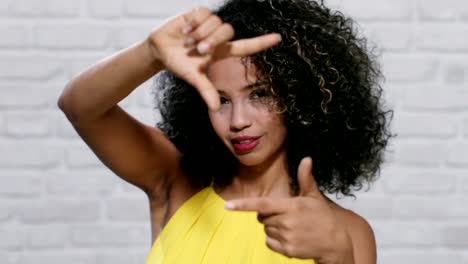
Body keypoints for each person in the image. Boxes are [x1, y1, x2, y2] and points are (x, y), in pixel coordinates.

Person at [58, 0, 392, 263]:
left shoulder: (347, 231)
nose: (237, 121)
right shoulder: (175, 182)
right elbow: (80, 108)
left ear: (301, 98)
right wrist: (151, 54)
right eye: (220, 100)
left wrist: (336, 257)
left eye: (259, 94)